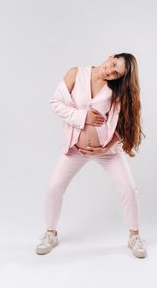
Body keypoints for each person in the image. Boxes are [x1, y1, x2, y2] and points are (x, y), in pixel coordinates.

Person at [36, 53, 147, 258]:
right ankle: (50, 233)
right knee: (54, 188)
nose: (110, 70)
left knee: (129, 189)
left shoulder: (117, 90)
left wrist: (106, 148)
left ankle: (134, 236)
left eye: (117, 73)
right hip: (75, 149)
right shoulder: (76, 74)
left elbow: (124, 124)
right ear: (110, 56)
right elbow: (56, 103)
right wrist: (82, 116)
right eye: (113, 64)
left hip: (107, 152)